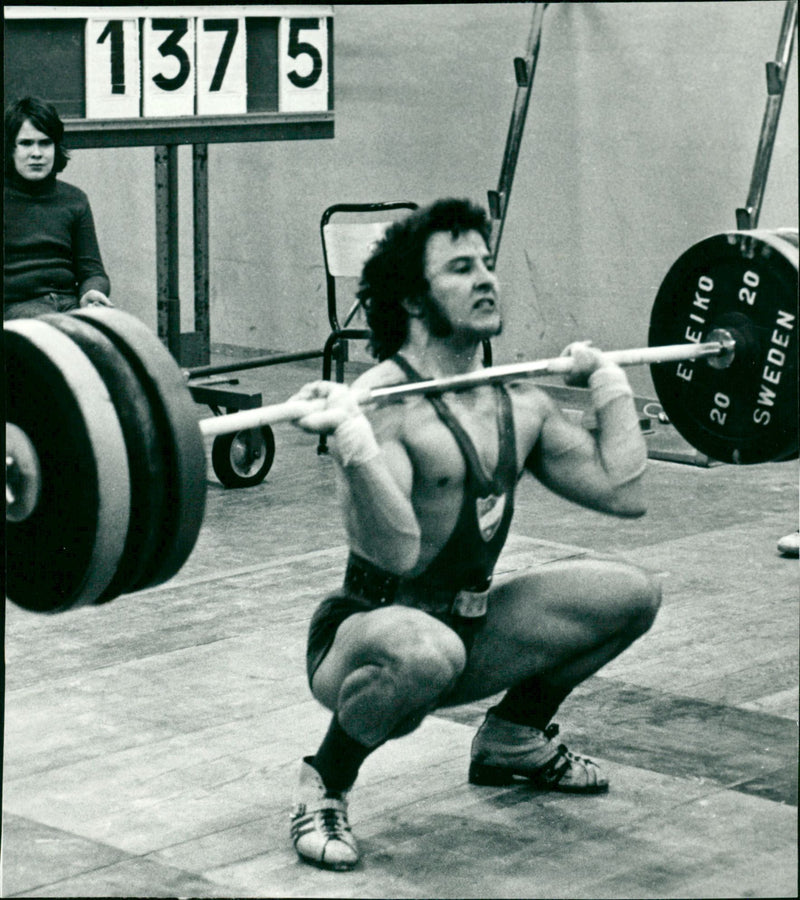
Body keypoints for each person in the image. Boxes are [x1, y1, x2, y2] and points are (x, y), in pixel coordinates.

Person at [287, 198, 662, 870]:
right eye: (461, 269)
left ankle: (513, 738)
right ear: (413, 299)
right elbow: (396, 550)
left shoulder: (520, 402)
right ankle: (325, 781)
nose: (487, 278)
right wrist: (352, 443)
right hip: (370, 634)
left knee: (632, 594)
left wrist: (610, 385)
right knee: (426, 652)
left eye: (487, 263)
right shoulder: (383, 407)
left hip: (471, 627)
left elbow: (624, 492)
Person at [4, 96, 112, 320]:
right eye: (26, 143)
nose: (37, 153)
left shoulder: (75, 199)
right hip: (17, 310)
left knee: (116, 339)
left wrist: (92, 293)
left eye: (45, 143)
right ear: (10, 149)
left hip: (69, 305)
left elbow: (93, 272)